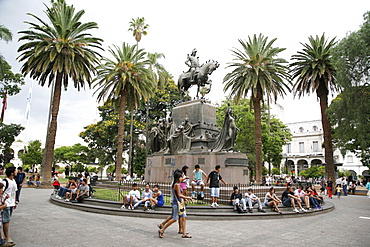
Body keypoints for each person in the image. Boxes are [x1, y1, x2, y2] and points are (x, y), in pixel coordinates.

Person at [158, 170, 193, 238]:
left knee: (184, 217)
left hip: (180, 203)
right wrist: (187, 197)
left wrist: (185, 179)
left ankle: (184, 233)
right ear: (178, 178)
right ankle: (162, 229)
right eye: (180, 177)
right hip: (177, 204)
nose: (181, 178)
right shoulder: (176, 185)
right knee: (174, 218)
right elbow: (179, 195)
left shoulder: (177, 184)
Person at [1, 167, 18, 246]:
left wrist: (14, 203)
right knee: (6, 220)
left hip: (11, 203)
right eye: (15, 171)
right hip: (6, 204)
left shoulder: (13, 181)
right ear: (11, 173)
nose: (16, 172)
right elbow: (1, 192)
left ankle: (5, 237)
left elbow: (14, 192)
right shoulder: (5, 182)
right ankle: (7, 238)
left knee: (7, 220)